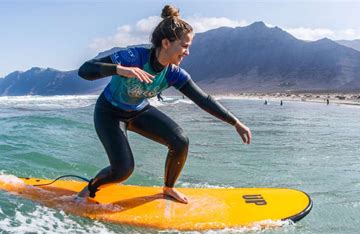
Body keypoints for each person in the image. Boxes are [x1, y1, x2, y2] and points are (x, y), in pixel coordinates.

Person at [77, 5, 251, 204]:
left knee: (180, 141)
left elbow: (203, 99)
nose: (187, 52)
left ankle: (168, 188)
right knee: (122, 170)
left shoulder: (173, 73)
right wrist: (120, 70)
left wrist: (235, 122)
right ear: (166, 43)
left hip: (138, 111)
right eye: (184, 46)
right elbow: (85, 70)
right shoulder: (133, 57)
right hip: (109, 113)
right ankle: (90, 188)